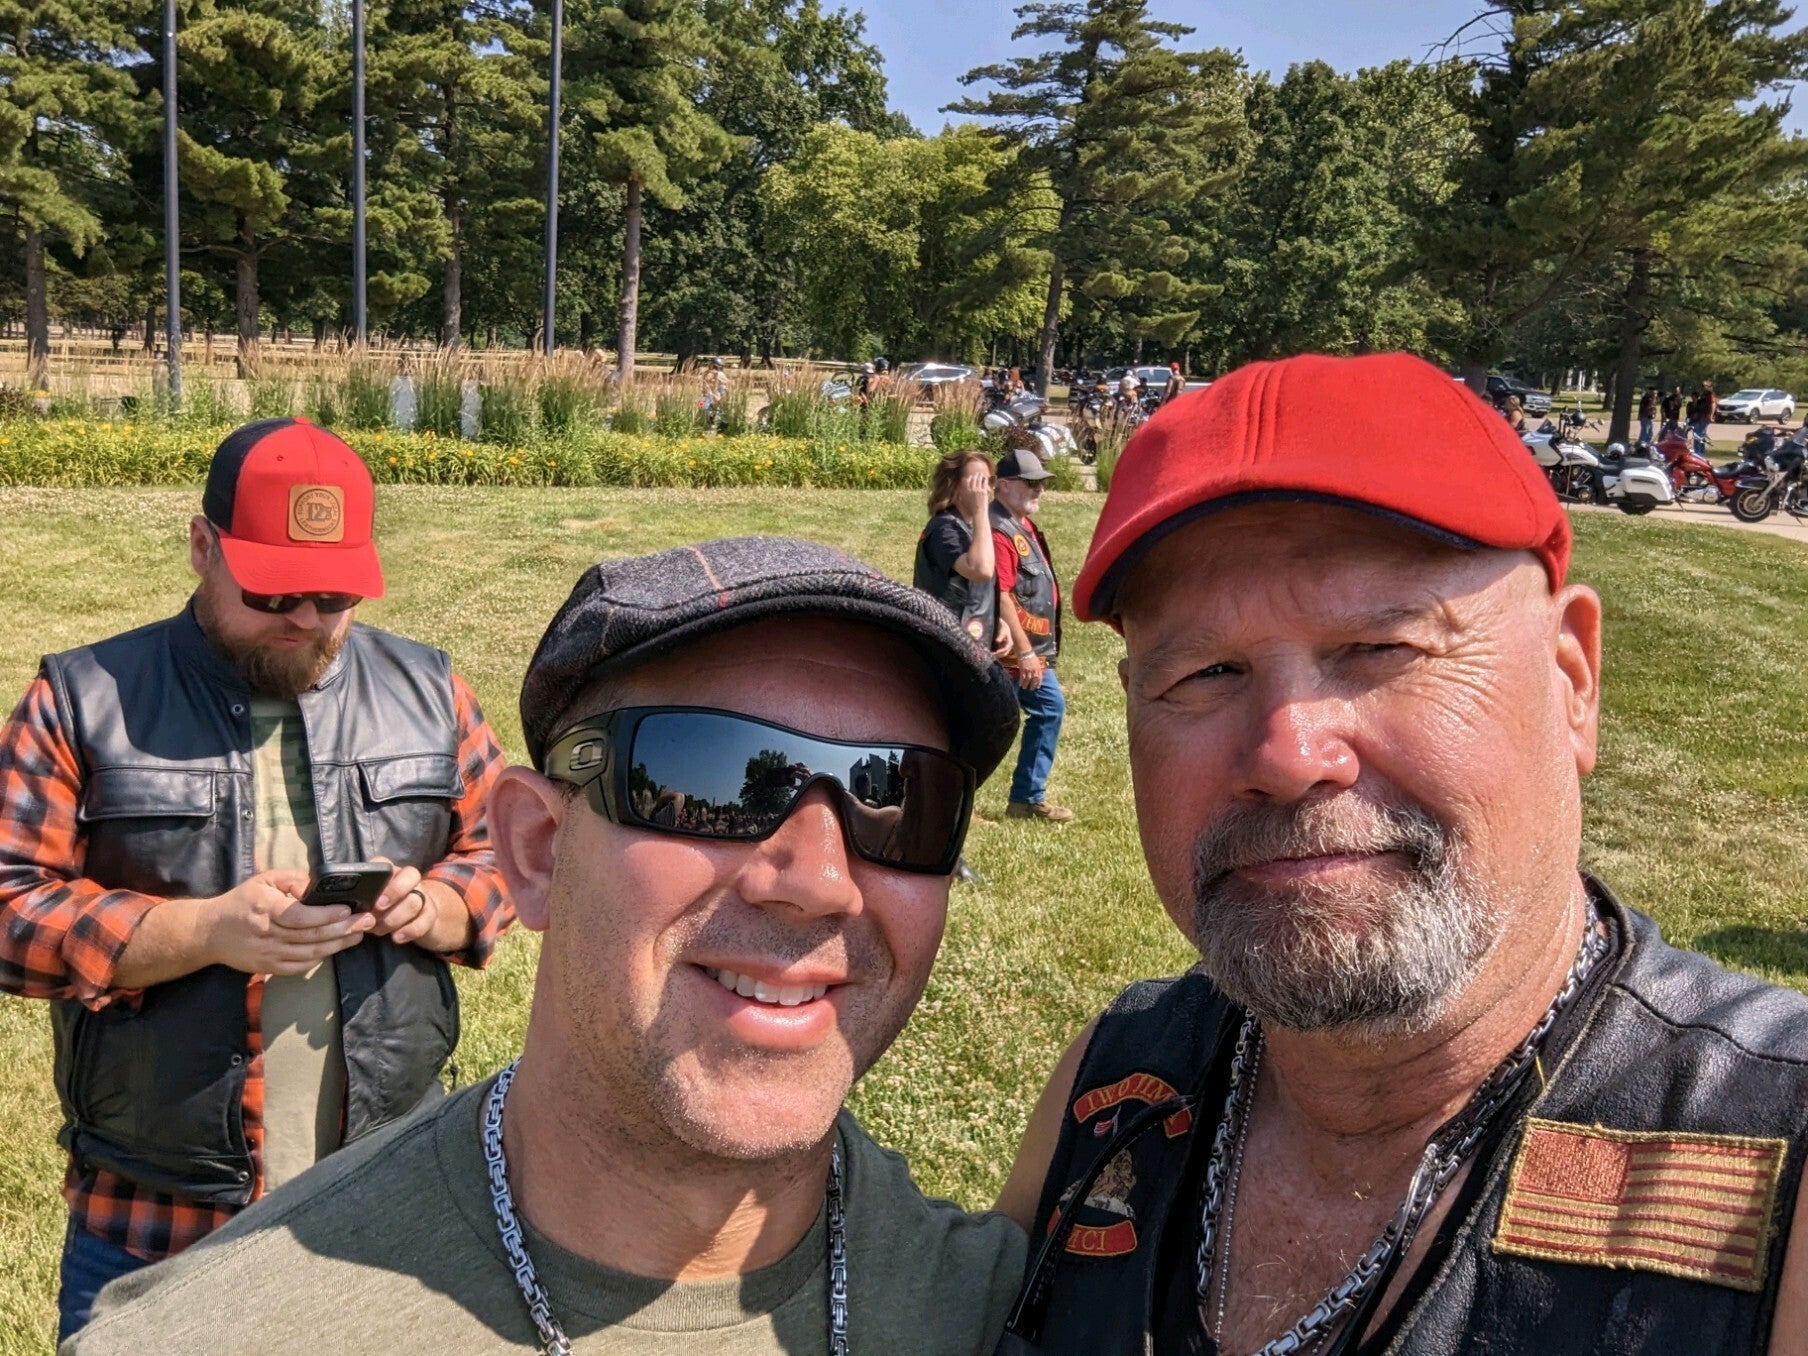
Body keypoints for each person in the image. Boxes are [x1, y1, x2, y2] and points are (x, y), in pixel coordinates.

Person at [994, 352, 1808, 1356]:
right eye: (1205, 672)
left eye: (1380, 649)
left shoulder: (1776, 1162)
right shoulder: (1113, 1087)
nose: (1286, 756)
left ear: (1572, 683)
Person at [72, 536, 1031, 1356]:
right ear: (536, 850)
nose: (819, 879)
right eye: (720, 781)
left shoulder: (1003, 1311)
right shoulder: (202, 1335)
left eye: (902, 799)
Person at [0, 416, 513, 1342]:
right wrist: (201, 933)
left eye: (334, 594)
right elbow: (10, 908)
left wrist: (436, 907)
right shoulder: (83, 699)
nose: (306, 618)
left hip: (388, 1205)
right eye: (274, 591)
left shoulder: (430, 692)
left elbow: (501, 858)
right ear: (203, 546)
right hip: (160, 1220)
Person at [990, 435, 1073, 824]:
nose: (1039, 489)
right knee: (985, 727)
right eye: (1030, 482)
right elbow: (1001, 595)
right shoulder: (999, 531)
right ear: (1004, 485)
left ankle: (1026, 798)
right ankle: (950, 797)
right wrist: (1024, 652)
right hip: (1010, 652)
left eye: (1040, 482)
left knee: (1047, 710)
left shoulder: (1023, 526)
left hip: (1030, 650)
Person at [914, 449, 1000, 652]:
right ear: (954, 485)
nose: (986, 490)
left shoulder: (970, 528)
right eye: (978, 482)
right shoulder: (944, 530)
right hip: (945, 644)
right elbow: (980, 570)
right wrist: (981, 511)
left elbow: (979, 591)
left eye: (990, 481)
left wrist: (997, 621)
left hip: (968, 643)